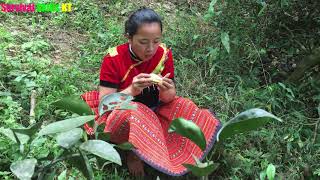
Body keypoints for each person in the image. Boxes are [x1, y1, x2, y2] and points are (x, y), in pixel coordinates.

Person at [81, 7, 221, 177]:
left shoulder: (164, 54)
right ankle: (132, 152)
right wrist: (133, 89)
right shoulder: (114, 58)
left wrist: (167, 90)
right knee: (133, 112)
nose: (151, 48)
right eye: (143, 42)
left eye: (156, 41)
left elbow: (169, 98)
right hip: (123, 112)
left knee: (186, 105)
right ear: (129, 38)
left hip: (155, 110)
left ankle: (173, 149)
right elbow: (105, 105)